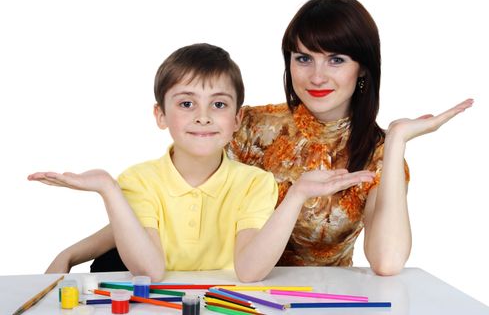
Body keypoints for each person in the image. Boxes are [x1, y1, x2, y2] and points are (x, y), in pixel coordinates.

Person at [36, 0, 472, 277]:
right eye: (303, 57)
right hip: (222, 283)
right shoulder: (246, 124)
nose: (317, 75)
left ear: (362, 70)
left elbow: (389, 262)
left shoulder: (377, 156)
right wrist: (74, 252)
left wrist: (395, 141)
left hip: (308, 295)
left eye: (336, 59)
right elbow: (165, 202)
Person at [28, 43, 375, 281]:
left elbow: (250, 271)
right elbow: (150, 271)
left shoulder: (255, 183)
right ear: (160, 115)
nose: (204, 117)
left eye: (219, 105)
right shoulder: (139, 180)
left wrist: (297, 195)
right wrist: (108, 188)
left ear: (238, 120)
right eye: (186, 104)